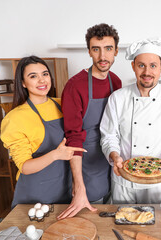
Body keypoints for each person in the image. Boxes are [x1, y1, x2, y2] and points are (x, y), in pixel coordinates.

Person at [100, 37, 161, 204]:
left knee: (156, 228)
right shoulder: (118, 98)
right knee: (121, 223)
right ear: (133, 66)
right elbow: (109, 136)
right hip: (123, 181)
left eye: (153, 66)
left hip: (157, 183)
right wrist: (115, 156)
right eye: (141, 65)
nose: (147, 72)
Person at [0, 56, 86, 208]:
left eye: (45, 74)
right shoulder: (15, 118)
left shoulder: (62, 103)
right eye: (33, 76)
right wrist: (56, 155)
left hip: (64, 190)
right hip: (34, 196)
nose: (42, 80)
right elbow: (24, 167)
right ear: (23, 83)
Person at [58, 23, 122, 219]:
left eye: (108, 49)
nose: (103, 56)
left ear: (116, 51)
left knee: (110, 215)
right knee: (90, 216)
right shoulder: (75, 86)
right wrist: (79, 186)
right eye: (96, 49)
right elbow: (73, 138)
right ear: (89, 52)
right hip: (86, 163)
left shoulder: (116, 82)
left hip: (111, 161)